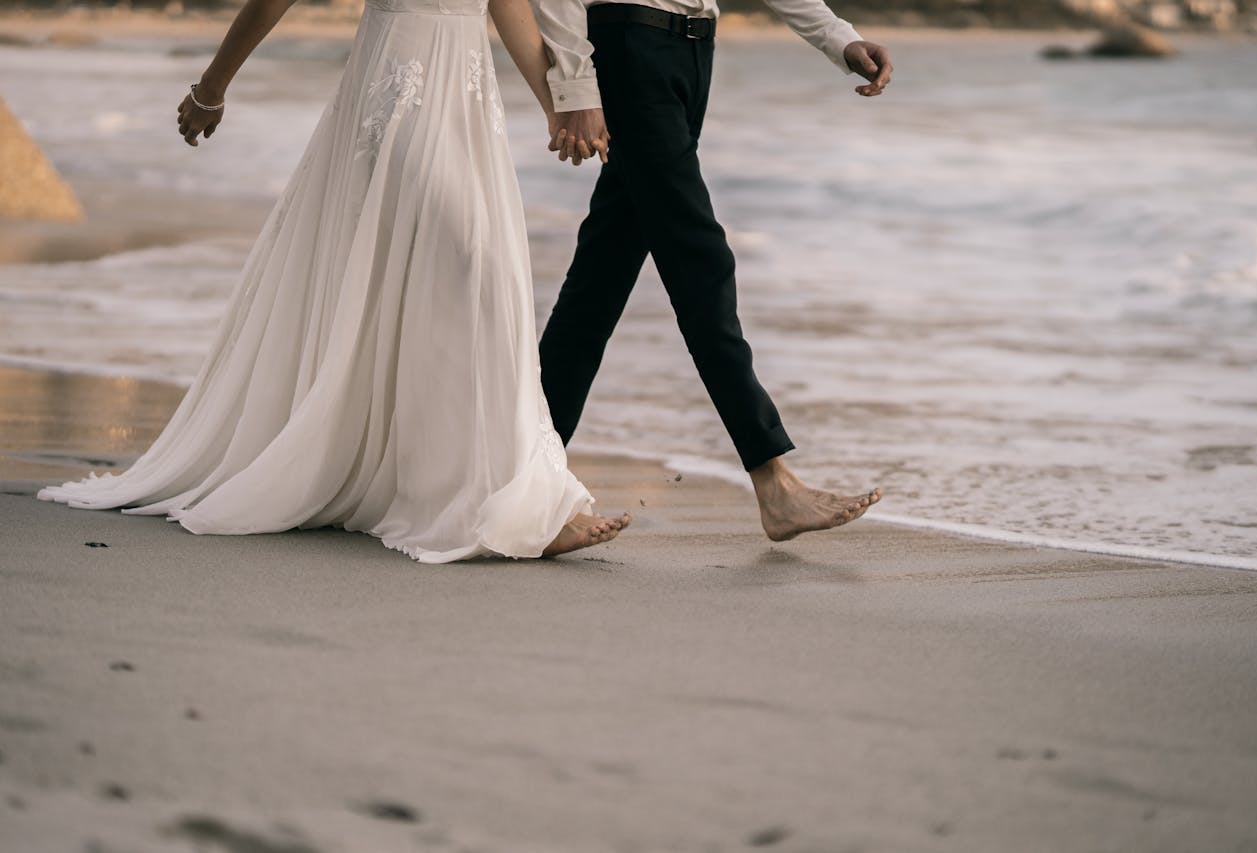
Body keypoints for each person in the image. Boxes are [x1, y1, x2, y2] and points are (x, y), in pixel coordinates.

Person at [39, 0, 630, 561]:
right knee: (471, 259)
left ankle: (497, 492)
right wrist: (213, 86)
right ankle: (493, 500)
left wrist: (555, 105)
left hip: (468, 98)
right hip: (396, 86)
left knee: (483, 272)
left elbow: (507, 5)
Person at [530, 0, 889, 541]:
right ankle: (773, 480)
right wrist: (577, 87)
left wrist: (837, 38)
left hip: (691, 53)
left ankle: (526, 479)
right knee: (700, 259)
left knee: (600, 277)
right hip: (630, 47)